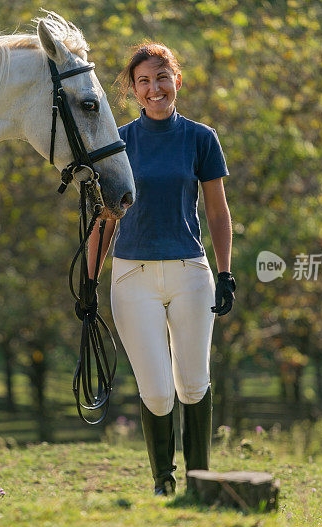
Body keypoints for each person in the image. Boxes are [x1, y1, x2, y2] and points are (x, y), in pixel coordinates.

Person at [87, 42, 235, 496]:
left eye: (162, 77)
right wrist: (88, 283)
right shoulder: (120, 142)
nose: (155, 88)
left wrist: (225, 273)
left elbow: (217, 212)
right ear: (133, 90)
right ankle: (163, 484)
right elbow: (105, 217)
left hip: (191, 272)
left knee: (193, 384)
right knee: (156, 391)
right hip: (133, 278)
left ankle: (199, 480)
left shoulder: (201, 138)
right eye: (144, 82)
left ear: (177, 80)